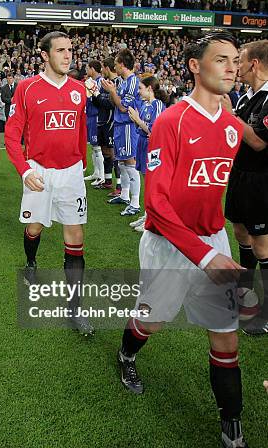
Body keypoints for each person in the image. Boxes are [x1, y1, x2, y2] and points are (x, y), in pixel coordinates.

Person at [115, 32, 250, 448]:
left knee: (225, 337)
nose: (231, 67)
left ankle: (232, 428)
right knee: (153, 321)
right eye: (221, 59)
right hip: (170, 244)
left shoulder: (231, 126)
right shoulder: (171, 121)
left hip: (213, 240)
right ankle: (126, 355)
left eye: (235, 60)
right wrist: (203, 256)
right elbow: (155, 204)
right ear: (195, 65)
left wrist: (214, 248)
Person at [4, 31, 93, 336]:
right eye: (61, 51)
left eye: (70, 50)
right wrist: (24, 170)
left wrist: (81, 161)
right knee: (34, 228)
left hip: (71, 174)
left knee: (75, 234)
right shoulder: (27, 88)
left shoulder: (79, 90)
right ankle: (31, 260)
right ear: (44, 55)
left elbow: (80, 129)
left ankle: (75, 307)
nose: (68, 56)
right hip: (38, 171)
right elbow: (12, 134)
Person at [223, 39, 268, 336]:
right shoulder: (244, 97)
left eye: (239, 60)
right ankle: (244, 293)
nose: (235, 66)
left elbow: (258, 141)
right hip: (239, 175)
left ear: (254, 63)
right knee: (240, 230)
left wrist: (230, 116)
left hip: (262, 180)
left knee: (262, 243)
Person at [102, 49, 143, 216]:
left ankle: (135, 202)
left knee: (130, 162)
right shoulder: (123, 81)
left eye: (117, 64)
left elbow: (123, 107)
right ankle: (125, 195)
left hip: (127, 126)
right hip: (119, 125)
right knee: (121, 163)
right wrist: (112, 91)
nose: (115, 66)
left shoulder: (133, 82)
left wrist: (112, 92)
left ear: (123, 65)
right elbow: (115, 103)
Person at [126, 76, 167, 232]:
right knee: (146, 180)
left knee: (152, 182)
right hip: (142, 143)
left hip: (153, 147)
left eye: (141, 88)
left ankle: (153, 219)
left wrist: (137, 120)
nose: (138, 91)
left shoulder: (157, 104)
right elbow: (143, 128)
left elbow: (153, 130)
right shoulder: (144, 105)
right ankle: (147, 214)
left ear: (150, 88)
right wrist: (137, 121)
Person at [91, 58, 121, 195]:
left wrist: (97, 95)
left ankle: (119, 185)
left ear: (107, 68)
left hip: (111, 122)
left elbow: (111, 104)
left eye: (103, 67)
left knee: (114, 154)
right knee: (105, 152)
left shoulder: (117, 83)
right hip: (101, 120)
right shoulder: (103, 83)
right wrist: (94, 95)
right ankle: (108, 181)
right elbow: (99, 103)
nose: (102, 70)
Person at [83, 60, 105, 187]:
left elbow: (99, 99)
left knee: (98, 147)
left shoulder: (100, 82)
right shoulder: (91, 82)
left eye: (87, 68)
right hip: (90, 115)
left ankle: (102, 176)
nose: (86, 70)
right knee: (93, 145)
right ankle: (97, 173)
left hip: (97, 115)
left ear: (93, 69)